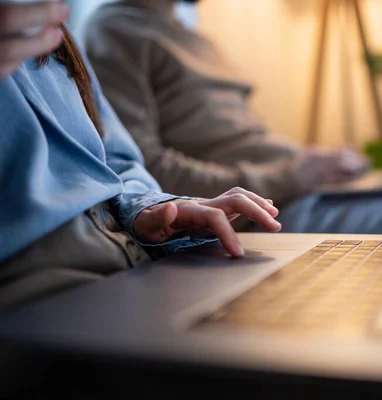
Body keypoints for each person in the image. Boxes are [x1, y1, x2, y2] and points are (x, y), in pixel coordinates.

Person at [82, 0, 382, 235]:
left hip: (307, 190)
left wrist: (314, 163)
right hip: (277, 210)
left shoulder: (196, 38)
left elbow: (244, 140)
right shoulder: (116, 29)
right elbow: (147, 170)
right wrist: (292, 176)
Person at [0, 2, 282, 311]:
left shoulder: (56, 36)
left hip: (135, 267)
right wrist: (291, 177)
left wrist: (151, 208)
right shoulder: (115, 27)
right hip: (41, 300)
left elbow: (118, 162)